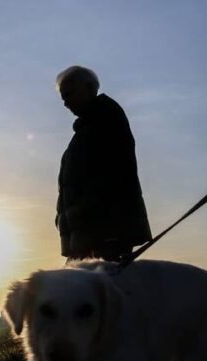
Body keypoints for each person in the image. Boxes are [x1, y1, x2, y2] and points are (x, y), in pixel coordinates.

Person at [55, 66, 152, 263]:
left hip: (104, 235)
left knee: (94, 291)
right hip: (89, 236)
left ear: (89, 87)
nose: (65, 102)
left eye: (69, 94)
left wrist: (81, 214)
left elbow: (111, 176)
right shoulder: (86, 130)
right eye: (62, 97)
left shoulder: (106, 119)